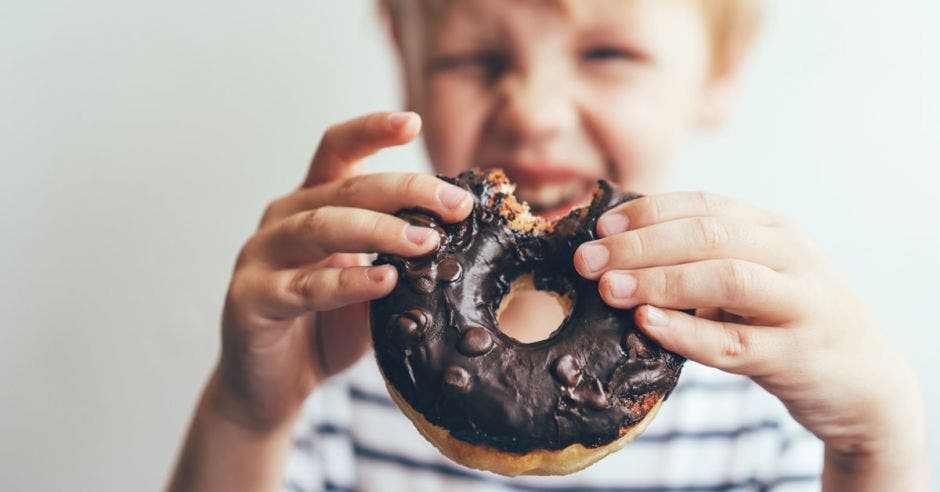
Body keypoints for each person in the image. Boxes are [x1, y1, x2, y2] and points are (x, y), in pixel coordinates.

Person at [168, 1, 928, 490]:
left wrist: (872, 447)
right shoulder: (332, 380)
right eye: (475, 60)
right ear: (405, 53)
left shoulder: (763, 397)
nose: (532, 113)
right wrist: (248, 415)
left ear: (718, 70)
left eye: (607, 55)